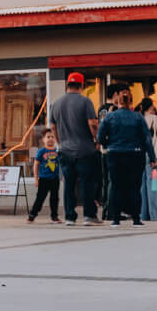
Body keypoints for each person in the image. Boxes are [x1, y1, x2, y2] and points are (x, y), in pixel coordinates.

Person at [49, 72, 103, 227]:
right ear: (82, 85)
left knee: (69, 184)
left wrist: (60, 142)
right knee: (87, 183)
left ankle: (70, 217)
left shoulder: (56, 103)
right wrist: (96, 140)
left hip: (65, 150)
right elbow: (92, 123)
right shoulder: (85, 101)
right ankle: (89, 216)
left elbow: (53, 126)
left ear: (67, 85)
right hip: (85, 149)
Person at [100, 87, 152, 227]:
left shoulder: (110, 117)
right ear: (131, 102)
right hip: (135, 155)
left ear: (118, 101)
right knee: (134, 187)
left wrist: (108, 144)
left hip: (115, 154)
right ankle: (136, 218)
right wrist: (152, 157)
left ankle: (115, 218)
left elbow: (100, 136)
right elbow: (147, 138)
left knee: (116, 186)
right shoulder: (138, 117)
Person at [28, 128, 62, 223]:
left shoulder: (57, 151)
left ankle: (54, 216)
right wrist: (36, 178)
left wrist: (62, 175)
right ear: (43, 139)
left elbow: (61, 164)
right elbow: (36, 165)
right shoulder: (41, 151)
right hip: (43, 179)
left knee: (54, 198)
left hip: (55, 178)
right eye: (48, 137)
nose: (50, 139)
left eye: (52, 137)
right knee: (40, 198)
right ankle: (32, 215)